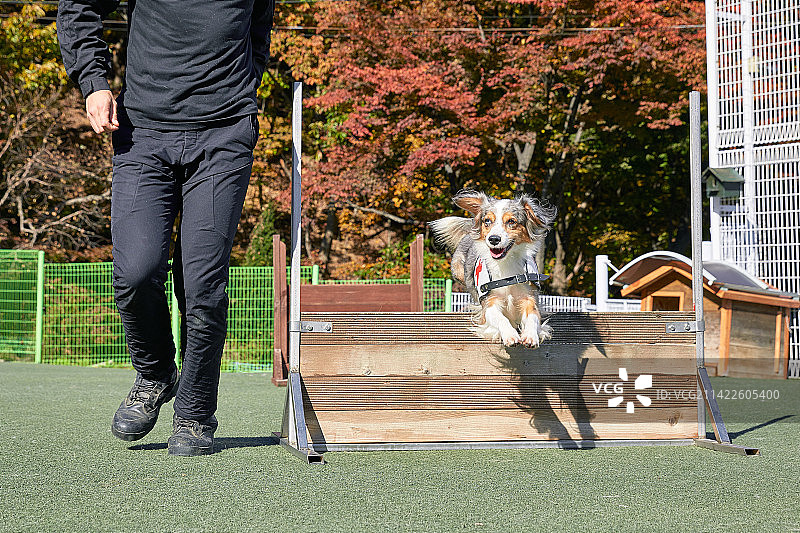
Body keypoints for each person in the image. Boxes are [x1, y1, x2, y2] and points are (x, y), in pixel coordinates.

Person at [57, 0, 275, 456]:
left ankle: (195, 413)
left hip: (225, 132)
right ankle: (155, 373)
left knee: (202, 283)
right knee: (136, 271)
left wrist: (243, 89)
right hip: (143, 130)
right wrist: (94, 83)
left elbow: (258, 26)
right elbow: (78, 7)